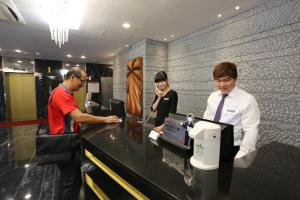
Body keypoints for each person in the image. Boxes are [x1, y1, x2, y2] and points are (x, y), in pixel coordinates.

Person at [48, 67, 119, 200]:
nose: (83, 84)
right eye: (82, 81)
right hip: (64, 145)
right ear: (72, 77)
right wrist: (105, 119)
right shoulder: (61, 93)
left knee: (66, 180)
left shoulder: (65, 93)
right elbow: (79, 117)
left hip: (64, 142)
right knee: (72, 183)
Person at [203, 62, 260, 159]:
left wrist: (242, 156)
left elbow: (251, 131)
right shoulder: (213, 97)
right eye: (218, 81)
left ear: (235, 79)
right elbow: (206, 119)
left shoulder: (247, 99)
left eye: (226, 80)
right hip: (210, 142)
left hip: (231, 148)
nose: (222, 84)